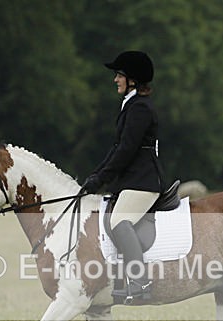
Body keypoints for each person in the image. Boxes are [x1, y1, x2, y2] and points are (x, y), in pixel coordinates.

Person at [81, 50, 164, 303]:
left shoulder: (140, 108)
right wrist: (96, 176)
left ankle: (141, 282)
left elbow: (127, 150)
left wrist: (101, 179)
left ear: (133, 80)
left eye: (119, 75)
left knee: (119, 221)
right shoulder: (131, 105)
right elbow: (117, 149)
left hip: (144, 181)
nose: (115, 80)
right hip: (132, 180)